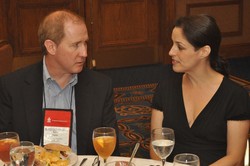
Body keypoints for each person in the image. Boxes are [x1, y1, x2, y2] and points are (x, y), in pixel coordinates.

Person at [0, 9, 119, 156]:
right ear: (51, 47)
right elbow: (5, 145)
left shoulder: (100, 86)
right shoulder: (13, 87)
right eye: (76, 45)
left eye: (85, 43)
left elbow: (111, 150)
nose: (84, 53)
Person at [150, 14, 249, 165]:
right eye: (172, 44)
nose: (171, 52)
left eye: (180, 47)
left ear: (204, 51)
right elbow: (156, 146)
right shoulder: (165, 88)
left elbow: (234, 158)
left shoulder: (234, 96)